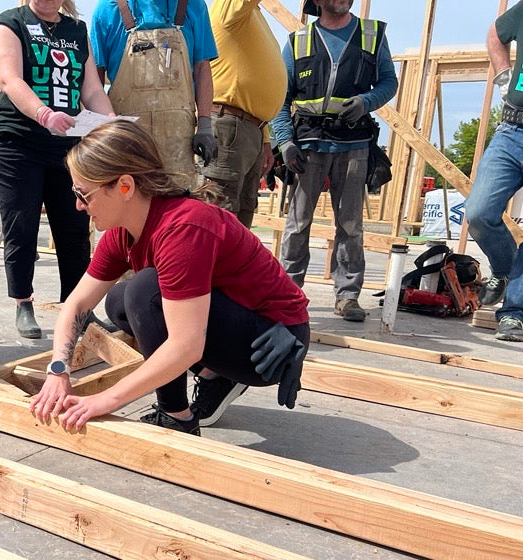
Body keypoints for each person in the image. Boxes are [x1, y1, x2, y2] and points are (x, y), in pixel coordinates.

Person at [31, 120, 310, 435]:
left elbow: (185, 345)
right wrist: (58, 370)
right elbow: (76, 304)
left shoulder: (183, 228)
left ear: (125, 186)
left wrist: (104, 400)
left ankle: (177, 415)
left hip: (273, 342)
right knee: (120, 302)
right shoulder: (123, 231)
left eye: (84, 194)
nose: (78, 206)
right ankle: (214, 375)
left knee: (144, 292)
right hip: (238, 321)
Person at [0, 0, 115, 339]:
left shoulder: (76, 29)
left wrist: (111, 122)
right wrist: (44, 114)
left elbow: (91, 90)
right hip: (17, 142)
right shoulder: (9, 23)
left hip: (66, 146)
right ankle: (23, 303)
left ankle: (78, 310)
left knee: (74, 229)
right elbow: (9, 79)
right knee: (22, 225)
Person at [271, 0, 397, 322]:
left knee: (351, 224)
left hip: (354, 142)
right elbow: (280, 98)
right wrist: (284, 142)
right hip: (309, 144)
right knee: (297, 223)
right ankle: (289, 292)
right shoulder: (299, 41)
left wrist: (367, 101)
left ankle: (348, 296)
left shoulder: (372, 34)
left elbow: (388, 82)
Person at [89, 0, 218, 186]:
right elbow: (94, 79)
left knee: (176, 205)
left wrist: (205, 125)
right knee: (126, 202)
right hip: (127, 139)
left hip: (177, 140)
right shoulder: (108, 9)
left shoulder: (193, 6)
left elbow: (202, 68)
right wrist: (96, 130)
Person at [464, 1, 523, 342]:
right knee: (479, 212)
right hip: (513, 130)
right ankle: (503, 268)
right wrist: (503, 74)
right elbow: (495, 33)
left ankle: (514, 313)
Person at [203, 0, 287, 228]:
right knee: (221, 213)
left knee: (242, 214)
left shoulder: (252, 16)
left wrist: (266, 139)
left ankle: (230, 265)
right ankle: (213, 265)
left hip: (249, 128)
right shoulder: (229, 5)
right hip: (230, 125)